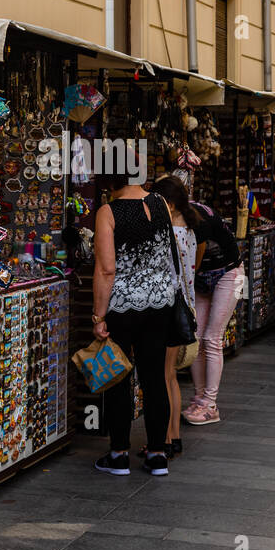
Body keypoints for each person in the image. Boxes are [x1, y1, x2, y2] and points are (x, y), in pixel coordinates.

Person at [91, 158, 176, 477]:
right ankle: (156, 454)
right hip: (160, 303)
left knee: (118, 378)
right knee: (154, 378)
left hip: (123, 306)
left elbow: (106, 268)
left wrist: (99, 315)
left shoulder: (108, 212)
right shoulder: (161, 204)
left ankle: (119, 454)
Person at [150, 175, 200, 458]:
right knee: (171, 377)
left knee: (164, 375)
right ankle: (175, 436)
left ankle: (165, 439)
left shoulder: (170, 232)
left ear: (168, 204)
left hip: (168, 308)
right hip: (184, 308)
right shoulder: (190, 230)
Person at [183, 194, 242, 426]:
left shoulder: (197, 218)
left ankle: (210, 404)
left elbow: (195, 258)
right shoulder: (177, 215)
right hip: (204, 279)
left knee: (212, 337)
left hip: (232, 274)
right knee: (197, 339)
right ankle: (199, 399)